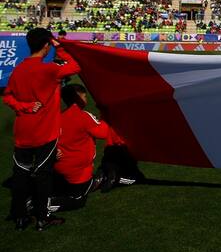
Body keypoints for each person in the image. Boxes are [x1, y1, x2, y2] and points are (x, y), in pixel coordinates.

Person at [3, 28, 80, 230]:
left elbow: (8, 97)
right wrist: (59, 48)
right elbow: (75, 66)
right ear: (46, 45)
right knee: (43, 175)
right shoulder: (49, 69)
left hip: (23, 132)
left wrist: (25, 107)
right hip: (45, 132)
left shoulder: (18, 70)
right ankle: (42, 218)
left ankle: (20, 217)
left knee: (20, 174)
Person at [49, 84, 109, 213]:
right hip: (77, 170)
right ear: (79, 97)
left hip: (60, 166)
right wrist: (105, 115)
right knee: (78, 200)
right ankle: (41, 205)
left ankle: (50, 194)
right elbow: (103, 133)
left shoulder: (58, 117)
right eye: (85, 96)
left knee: (66, 187)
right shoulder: (83, 116)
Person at [98, 126, 145, 193]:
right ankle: (115, 179)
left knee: (109, 166)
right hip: (119, 152)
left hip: (109, 154)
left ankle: (104, 175)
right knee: (136, 178)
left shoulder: (111, 124)